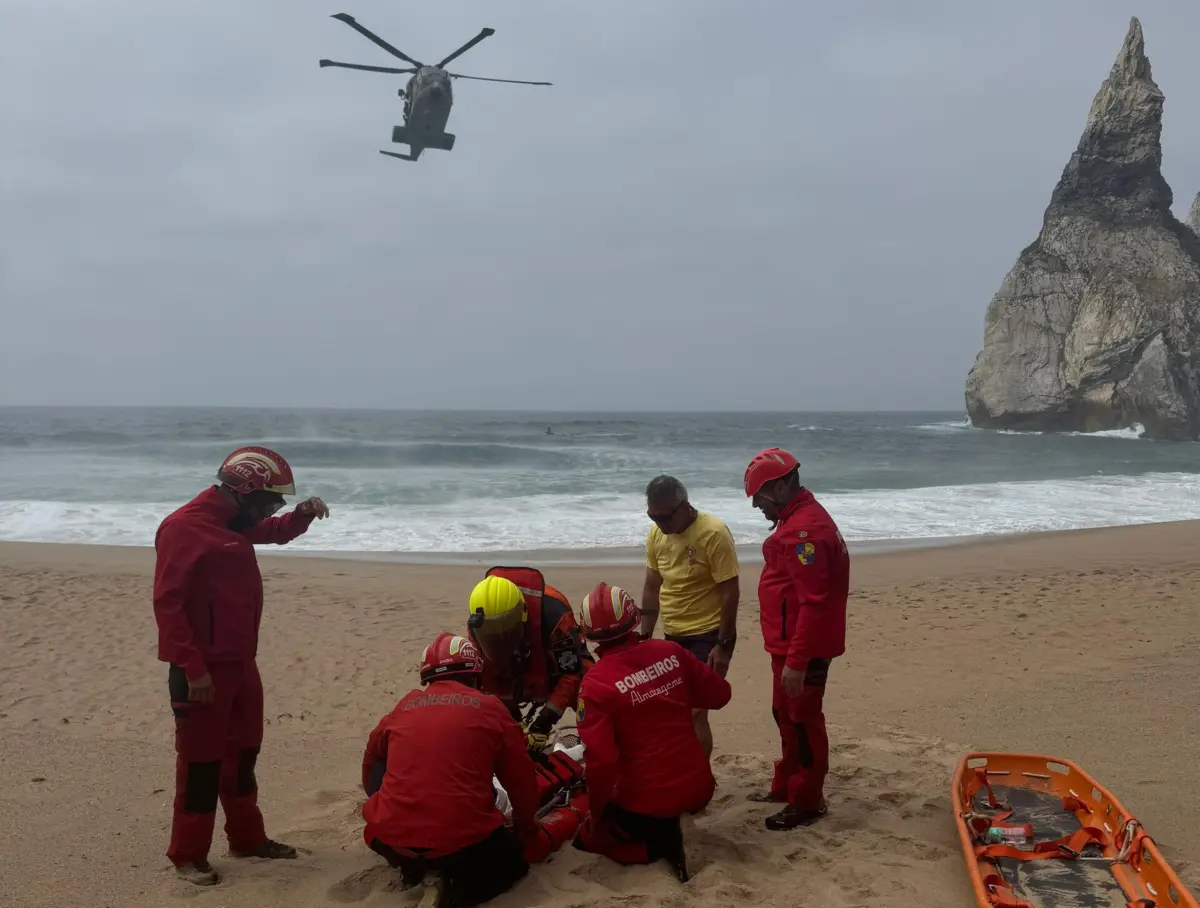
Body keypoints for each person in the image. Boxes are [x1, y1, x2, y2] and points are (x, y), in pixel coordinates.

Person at [152, 445, 331, 885]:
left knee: (243, 756)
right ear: (244, 490)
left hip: (241, 664)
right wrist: (193, 668)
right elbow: (168, 604)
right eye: (269, 501)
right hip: (202, 671)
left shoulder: (232, 520)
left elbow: (272, 531)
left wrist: (301, 516)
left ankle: (247, 839)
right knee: (200, 766)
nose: (272, 509)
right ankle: (187, 855)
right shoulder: (183, 528)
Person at [361, 633, 584, 907]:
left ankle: (415, 863)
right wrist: (527, 828)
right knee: (516, 858)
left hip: (389, 841)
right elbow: (522, 782)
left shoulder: (403, 706)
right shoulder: (490, 708)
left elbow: (370, 764)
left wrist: (387, 803)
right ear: (474, 674)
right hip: (461, 845)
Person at [572, 582, 733, 882]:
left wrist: (598, 813)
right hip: (699, 789)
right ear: (634, 619)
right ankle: (674, 826)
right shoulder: (670, 652)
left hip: (646, 803)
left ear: (589, 635)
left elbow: (601, 763)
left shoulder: (595, 685)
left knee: (587, 839)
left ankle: (662, 846)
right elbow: (720, 694)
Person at [743, 447, 849, 831]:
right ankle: (786, 785)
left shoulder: (807, 532)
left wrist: (798, 661)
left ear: (780, 487)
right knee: (784, 714)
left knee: (803, 722)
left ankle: (806, 800)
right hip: (786, 644)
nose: (756, 506)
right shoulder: (795, 520)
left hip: (802, 648)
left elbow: (814, 603)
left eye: (759, 497)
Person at [639, 474, 740, 756]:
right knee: (681, 712)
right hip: (673, 635)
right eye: (653, 517)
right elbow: (651, 586)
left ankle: (698, 773)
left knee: (694, 712)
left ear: (685, 506)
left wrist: (724, 645)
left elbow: (730, 592)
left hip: (708, 634)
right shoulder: (657, 535)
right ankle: (691, 770)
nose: (660, 524)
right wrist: (644, 637)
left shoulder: (714, 533)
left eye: (665, 517)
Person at [465, 567, 593, 753]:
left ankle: (596, 741)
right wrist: (513, 720)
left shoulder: (555, 617)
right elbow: (486, 678)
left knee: (589, 684)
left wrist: (544, 722)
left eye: (505, 633)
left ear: (523, 615)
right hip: (512, 674)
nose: (499, 641)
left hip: (549, 671)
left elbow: (571, 673)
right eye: (492, 637)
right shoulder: (478, 626)